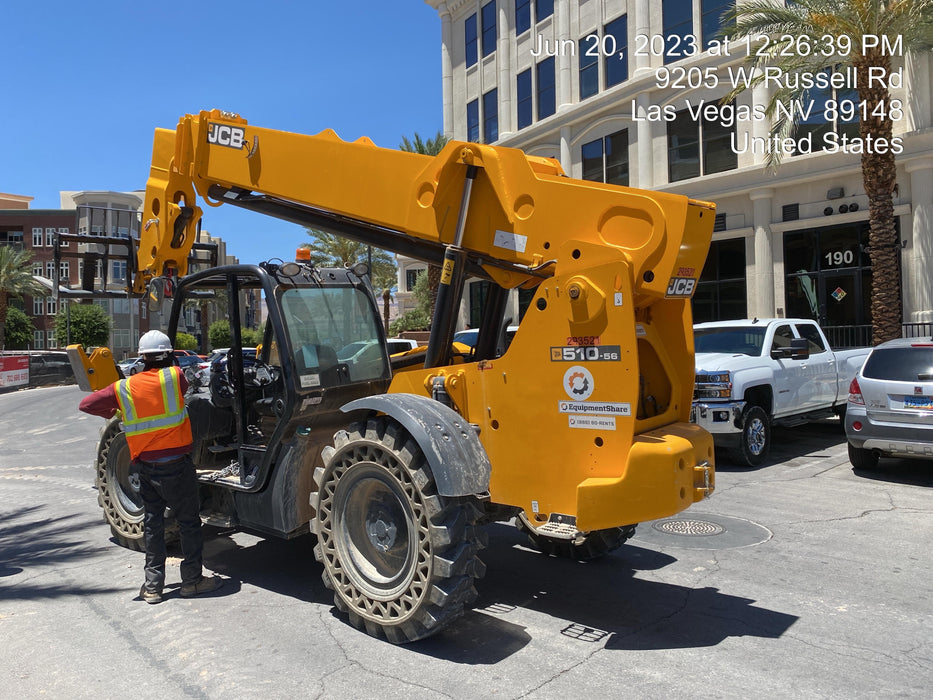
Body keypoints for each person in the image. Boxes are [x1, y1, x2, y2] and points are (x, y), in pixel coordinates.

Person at [79, 330, 222, 604]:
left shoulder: (124, 388)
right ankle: (192, 581)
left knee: (153, 524)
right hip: (178, 465)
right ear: (168, 354)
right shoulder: (174, 377)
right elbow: (186, 389)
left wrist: (115, 410)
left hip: (146, 467)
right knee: (189, 522)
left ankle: (153, 587)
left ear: (142, 356)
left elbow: (86, 404)